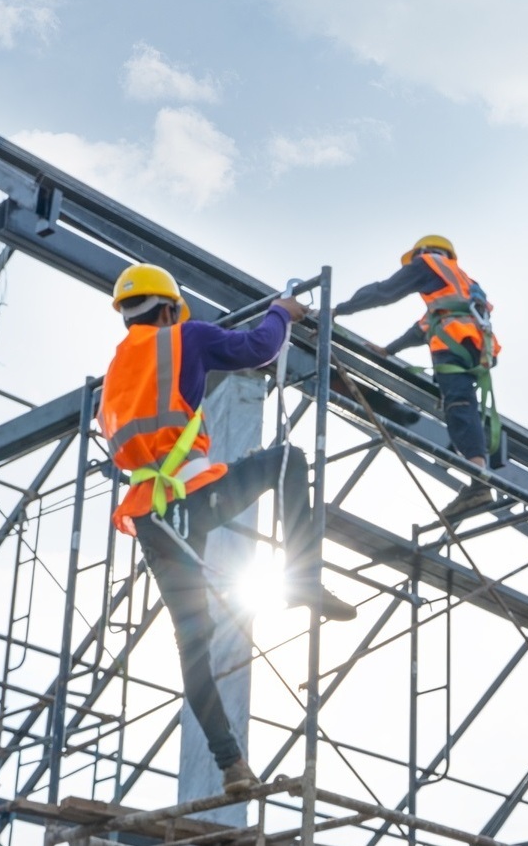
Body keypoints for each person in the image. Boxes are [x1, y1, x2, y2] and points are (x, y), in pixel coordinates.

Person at [100, 263, 357, 793]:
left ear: (127, 314)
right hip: (193, 492)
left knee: (191, 642)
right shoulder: (184, 337)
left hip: (151, 515)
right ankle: (302, 578)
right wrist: (281, 313)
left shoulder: (117, 369)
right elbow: (258, 350)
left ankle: (231, 766)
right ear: (169, 308)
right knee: (288, 460)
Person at [334, 235, 502, 517]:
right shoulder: (462, 284)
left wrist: (339, 309)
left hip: (455, 344)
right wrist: (388, 350)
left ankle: (478, 479)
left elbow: (384, 291)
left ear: (423, 252)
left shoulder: (427, 263)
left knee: (459, 405)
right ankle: (477, 477)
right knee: (461, 402)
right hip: (474, 346)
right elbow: (423, 327)